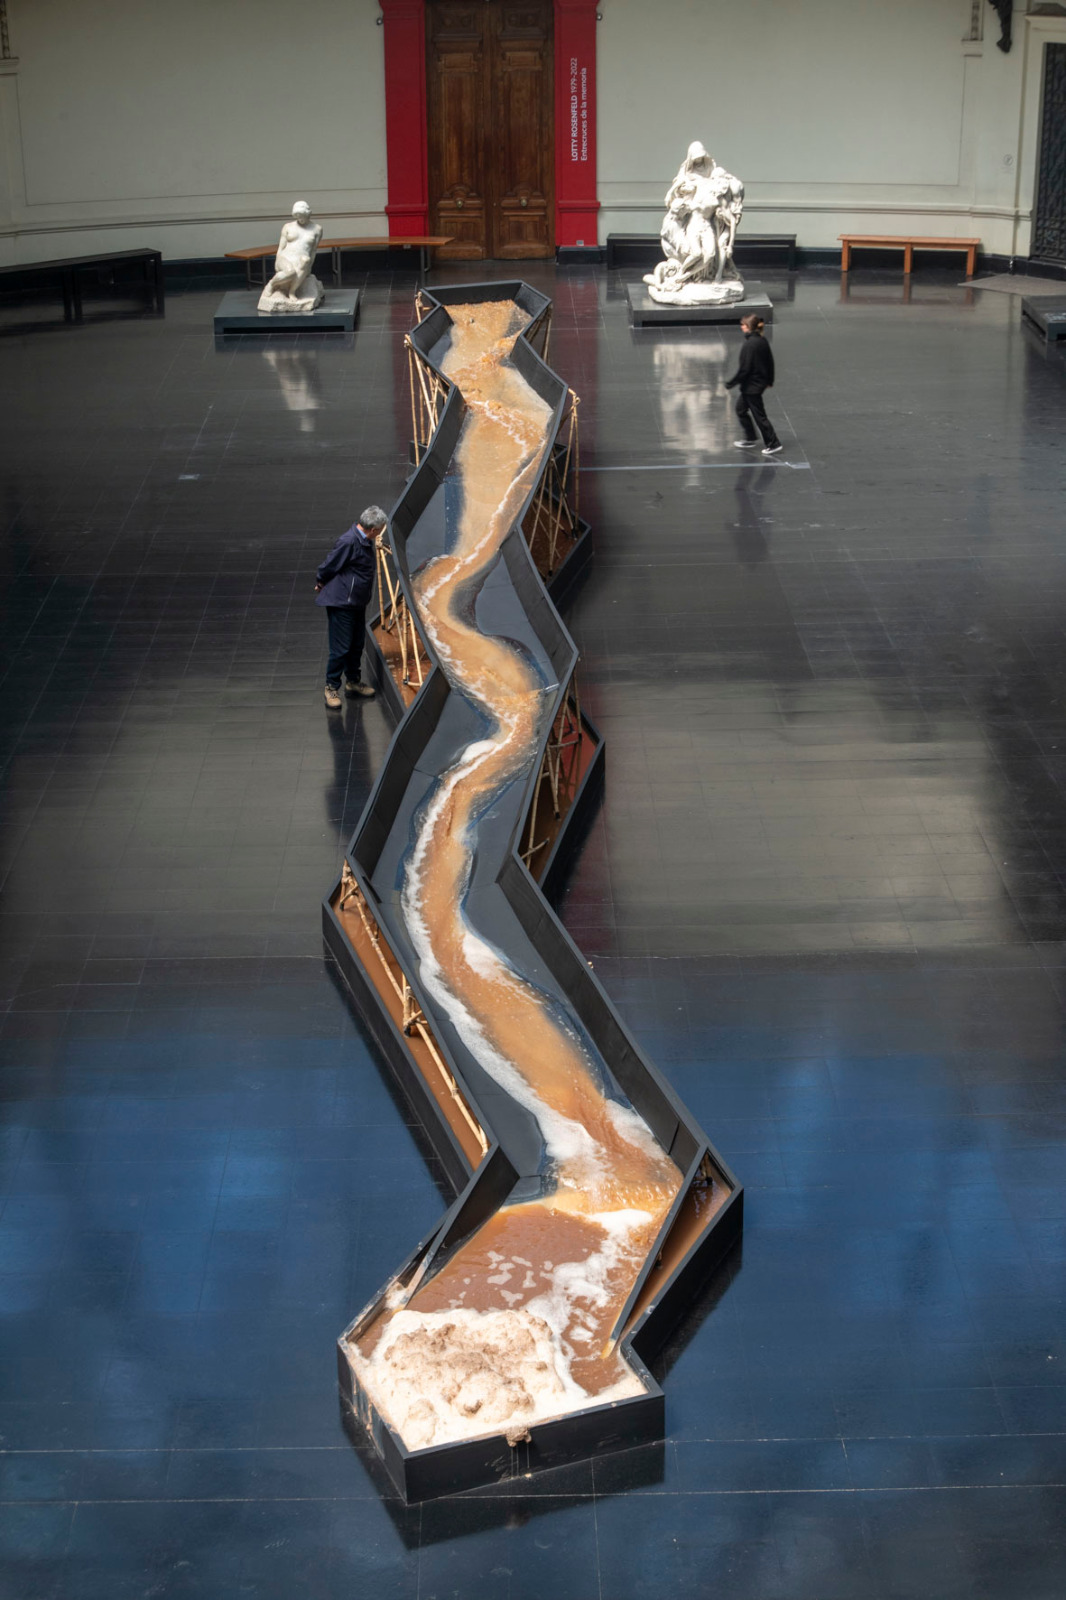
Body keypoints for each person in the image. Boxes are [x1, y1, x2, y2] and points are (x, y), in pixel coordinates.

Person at [315, 506, 388, 708]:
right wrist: (320, 581)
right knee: (341, 648)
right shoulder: (348, 541)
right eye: (380, 530)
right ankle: (331, 687)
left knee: (356, 644)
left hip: (356, 602)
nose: (381, 533)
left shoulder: (364, 541)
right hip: (342, 603)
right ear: (372, 530)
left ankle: (353, 682)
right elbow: (329, 565)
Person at [725, 313, 782, 455]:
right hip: (757, 384)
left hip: (752, 387)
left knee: (759, 416)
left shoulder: (749, 345)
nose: (741, 327)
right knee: (740, 410)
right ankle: (750, 438)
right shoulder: (762, 341)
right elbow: (770, 362)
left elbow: (745, 369)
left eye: (743, 325)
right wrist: (770, 380)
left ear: (748, 327)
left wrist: (732, 383)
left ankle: (773, 443)